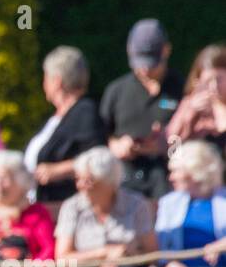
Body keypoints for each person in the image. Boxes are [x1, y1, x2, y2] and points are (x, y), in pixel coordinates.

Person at [100, 19, 182, 202]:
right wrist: (115, 146)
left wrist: (166, 145)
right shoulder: (117, 90)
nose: (145, 69)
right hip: (124, 183)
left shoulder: (181, 89)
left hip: (167, 184)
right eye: (140, 62)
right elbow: (98, 136)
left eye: (152, 62)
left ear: (166, 50)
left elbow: (194, 141)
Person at [25, 46, 107, 213]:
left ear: (57, 81)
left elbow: (99, 158)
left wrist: (58, 170)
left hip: (68, 208)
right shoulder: (56, 118)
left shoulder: (85, 111)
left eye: (46, 77)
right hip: (44, 204)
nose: (43, 83)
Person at [165, 44, 226, 155]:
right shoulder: (189, 105)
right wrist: (191, 116)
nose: (214, 87)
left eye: (219, 79)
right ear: (198, 81)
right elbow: (172, 149)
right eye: (208, 81)